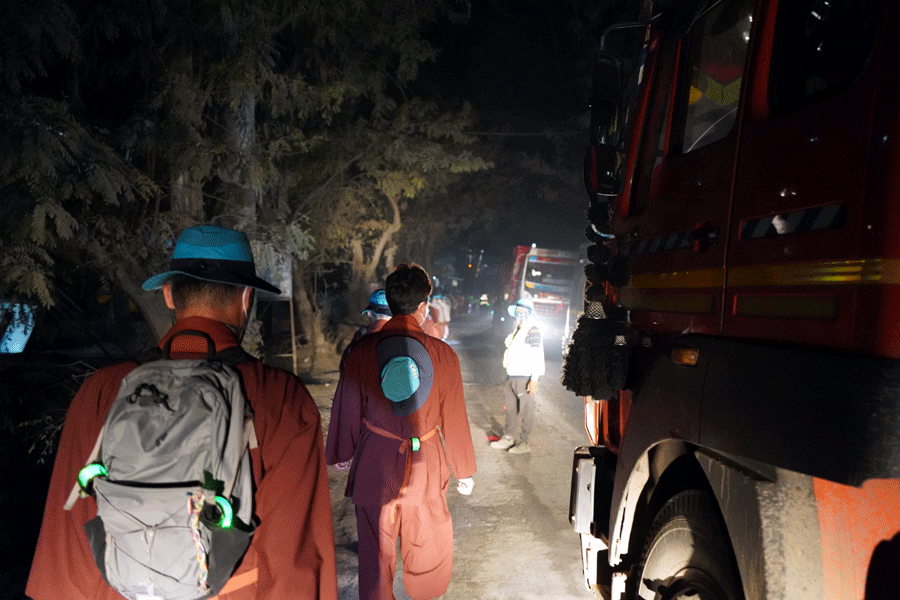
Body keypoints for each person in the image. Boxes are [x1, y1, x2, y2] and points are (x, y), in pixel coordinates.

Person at [26, 225, 339, 600]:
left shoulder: (102, 390)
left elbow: (68, 543)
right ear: (245, 299)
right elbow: (294, 554)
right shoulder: (281, 398)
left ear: (169, 294)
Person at [326, 263, 476, 600]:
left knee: (375, 549)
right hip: (426, 460)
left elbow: (347, 404)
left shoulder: (363, 351)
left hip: (374, 460)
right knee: (427, 540)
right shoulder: (443, 354)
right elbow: (453, 416)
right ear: (425, 305)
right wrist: (463, 470)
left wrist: (342, 452)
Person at [490, 297, 545, 454]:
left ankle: (524, 442)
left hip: (525, 377)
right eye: (518, 312)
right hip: (512, 376)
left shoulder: (532, 329)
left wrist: (534, 379)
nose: (520, 315)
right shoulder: (518, 330)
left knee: (526, 411)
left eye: (523, 312)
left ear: (530, 313)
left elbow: (537, 355)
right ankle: (508, 438)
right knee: (510, 410)